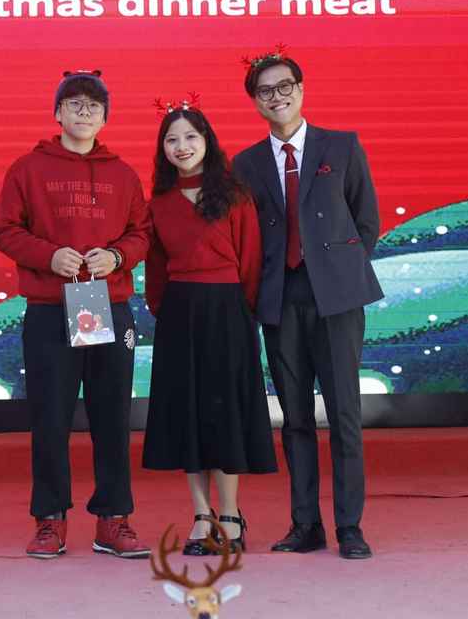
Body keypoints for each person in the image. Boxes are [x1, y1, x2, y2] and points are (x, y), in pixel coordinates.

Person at [0, 70, 152, 560]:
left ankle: (113, 518)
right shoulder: (27, 168)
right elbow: (5, 229)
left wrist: (118, 256)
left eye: (93, 106)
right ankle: (50, 519)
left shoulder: (123, 174)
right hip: (49, 308)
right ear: (57, 112)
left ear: (105, 117)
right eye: (74, 104)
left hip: (110, 305)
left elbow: (142, 233)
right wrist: (49, 256)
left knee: (112, 416)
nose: (84, 113)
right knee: (50, 418)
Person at [232, 50, 382, 560]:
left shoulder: (341, 146)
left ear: (300, 88)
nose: (277, 96)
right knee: (295, 419)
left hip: (337, 300)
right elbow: (247, 235)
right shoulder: (246, 164)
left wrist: (339, 271)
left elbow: (366, 220)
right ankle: (305, 524)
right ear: (255, 101)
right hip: (280, 300)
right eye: (265, 91)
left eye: (285, 86)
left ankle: (350, 527)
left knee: (344, 415)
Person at [141, 99, 277, 556]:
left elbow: (251, 261)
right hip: (179, 316)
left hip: (228, 312)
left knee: (225, 414)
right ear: (162, 148)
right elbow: (156, 271)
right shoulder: (158, 203)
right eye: (172, 139)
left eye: (190, 137)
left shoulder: (234, 195)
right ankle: (201, 514)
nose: (181, 146)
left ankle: (231, 514)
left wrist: (241, 313)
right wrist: (168, 311)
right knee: (188, 414)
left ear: (207, 142)